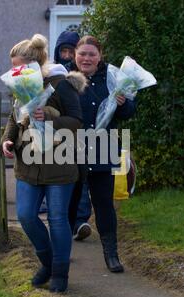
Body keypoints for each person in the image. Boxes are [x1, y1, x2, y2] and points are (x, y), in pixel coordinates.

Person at [1, 34, 87, 292]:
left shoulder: (61, 85)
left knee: (58, 219)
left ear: (36, 63)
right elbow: (13, 118)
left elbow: (76, 121)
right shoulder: (20, 85)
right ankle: (48, 263)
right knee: (26, 216)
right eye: (14, 67)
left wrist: (48, 119)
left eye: (21, 67)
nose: (17, 71)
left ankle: (61, 273)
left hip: (59, 163)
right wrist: (7, 139)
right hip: (27, 164)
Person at [68, 35, 136, 273]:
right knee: (68, 205)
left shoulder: (112, 78)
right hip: (69, 150)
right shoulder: (64, 77)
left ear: (100, 56)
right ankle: (62, 255)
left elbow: (128, 113)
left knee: (104, 204)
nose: (86, 58)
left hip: (102, 147)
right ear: (75, 54)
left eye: (91, 54)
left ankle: (111, 255)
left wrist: (122, 103)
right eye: (82, 53)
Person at [39, 31, 93, 242]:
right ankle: (67, 224)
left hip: (84, 134)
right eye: (64, 50)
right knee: (68, 181)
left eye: (72, 51)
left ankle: (80, 221)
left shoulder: (79, 76)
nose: (68, 55)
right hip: (60, 139)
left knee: (82, 180)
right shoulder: (55, 76)